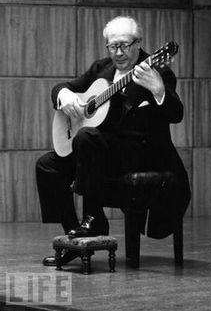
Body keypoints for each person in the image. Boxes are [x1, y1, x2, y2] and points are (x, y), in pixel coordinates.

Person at [36, 15, 191, 266]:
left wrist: (158, 90)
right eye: (112, 46)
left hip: (138, 155)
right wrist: (64, 94)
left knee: (87, 137)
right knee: (47, 165)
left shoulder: (158, 71)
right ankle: (75, 236)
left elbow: (177, 114)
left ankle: (95, 218)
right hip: (99, 151)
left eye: (125, 45)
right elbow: (63, 87)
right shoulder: (101, 69)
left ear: (138, 43)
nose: (118, 52)